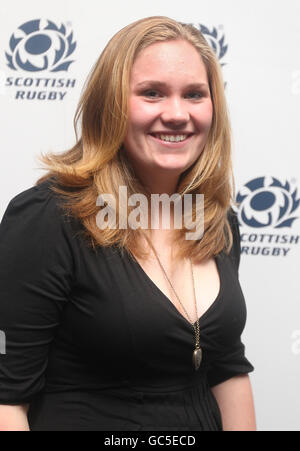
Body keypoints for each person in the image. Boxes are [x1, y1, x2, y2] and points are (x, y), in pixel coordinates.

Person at [0, 16, 256, 431]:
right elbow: (6, 398)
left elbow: (226, 367)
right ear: (111, 103)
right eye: (151, 93)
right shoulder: (49, 218)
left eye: (194, 94)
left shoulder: (215, 220)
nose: (177, 114)